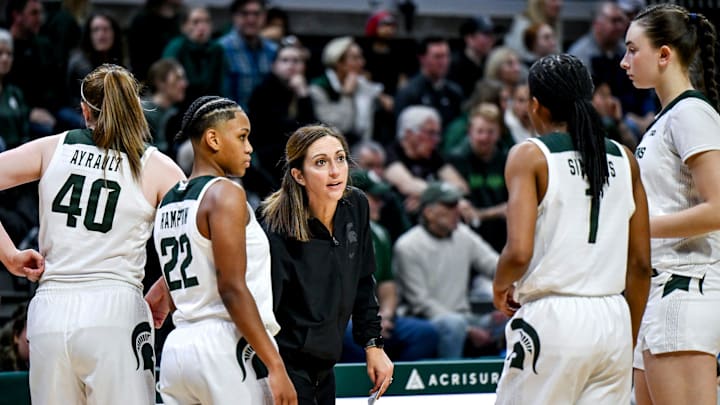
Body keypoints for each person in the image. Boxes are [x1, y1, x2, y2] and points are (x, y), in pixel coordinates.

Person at [0, 63, 185, 404]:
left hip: (50, 312)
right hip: (116, 310)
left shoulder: (51, 148)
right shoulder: (158, 166)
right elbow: (197, 237)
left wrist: (10, 255)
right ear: (135, 108)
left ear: (84, 110)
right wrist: (165, 290)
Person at [493, 54, 651, 404]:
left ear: (536, 106)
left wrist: (501, 283)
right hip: (614, 319)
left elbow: (518, 251)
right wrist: (630, 332)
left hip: (553, 318)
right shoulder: (626, 158)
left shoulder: (529, 155)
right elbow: (640, 264)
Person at [149, 96, 296, 405]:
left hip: (178, 349)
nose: (250, 147)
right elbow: (231, 288)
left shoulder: (169, 200)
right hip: (226, 346)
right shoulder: (225, 193)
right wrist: (275, 365)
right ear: (213, 139)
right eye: (242, 136)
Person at [620, 5, 720, 404]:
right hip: (658, 290)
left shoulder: (692, 114)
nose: (624, 60)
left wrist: (635, 226)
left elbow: (718, 208)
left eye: (632, 49)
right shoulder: (666, 118)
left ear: (664, 54)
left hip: (686, 287)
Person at [259, 124, 394, 404]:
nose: (335, 171)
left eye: (340, 158)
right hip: (286, 365)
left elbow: (362, 281)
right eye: (321, 163)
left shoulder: (356, 205)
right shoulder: (275, 228)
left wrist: (373, 345)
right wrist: (274, 370)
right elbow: (264, 311)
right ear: (299, 175)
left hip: (325, 365)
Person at [394, 181, 503, 359]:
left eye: (456, 205)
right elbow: (420, 303)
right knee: (454, 324)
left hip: (465, 316)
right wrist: (467, 330)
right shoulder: (408, 245)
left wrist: (512, 295)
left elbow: (494, 265)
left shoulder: (463, 235)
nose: (456, 211)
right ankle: (450, 380)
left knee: (512, 319)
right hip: (427, 320)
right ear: (429, 212)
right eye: (449, 206)